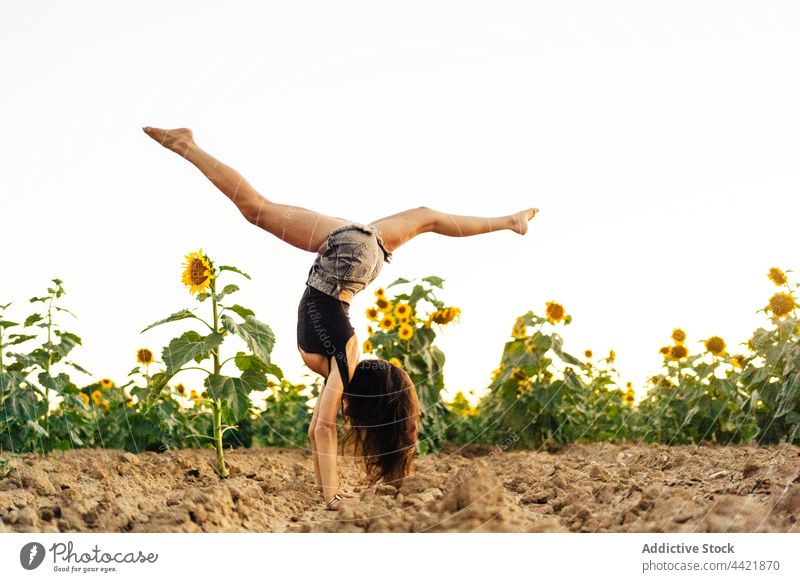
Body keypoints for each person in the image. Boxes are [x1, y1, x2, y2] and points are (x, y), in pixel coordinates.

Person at [142, 126, 539, 510]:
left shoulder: (340, 361)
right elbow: (325, 428)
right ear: (362, 401)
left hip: (360, 258)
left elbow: (318, 427)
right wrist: (331, 498)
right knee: (255, 208)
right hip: (345, 261)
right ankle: (185, 145)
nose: (345, 414)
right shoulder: (345, 357)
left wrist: (328, 490)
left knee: (427, 217)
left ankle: (510, 221)